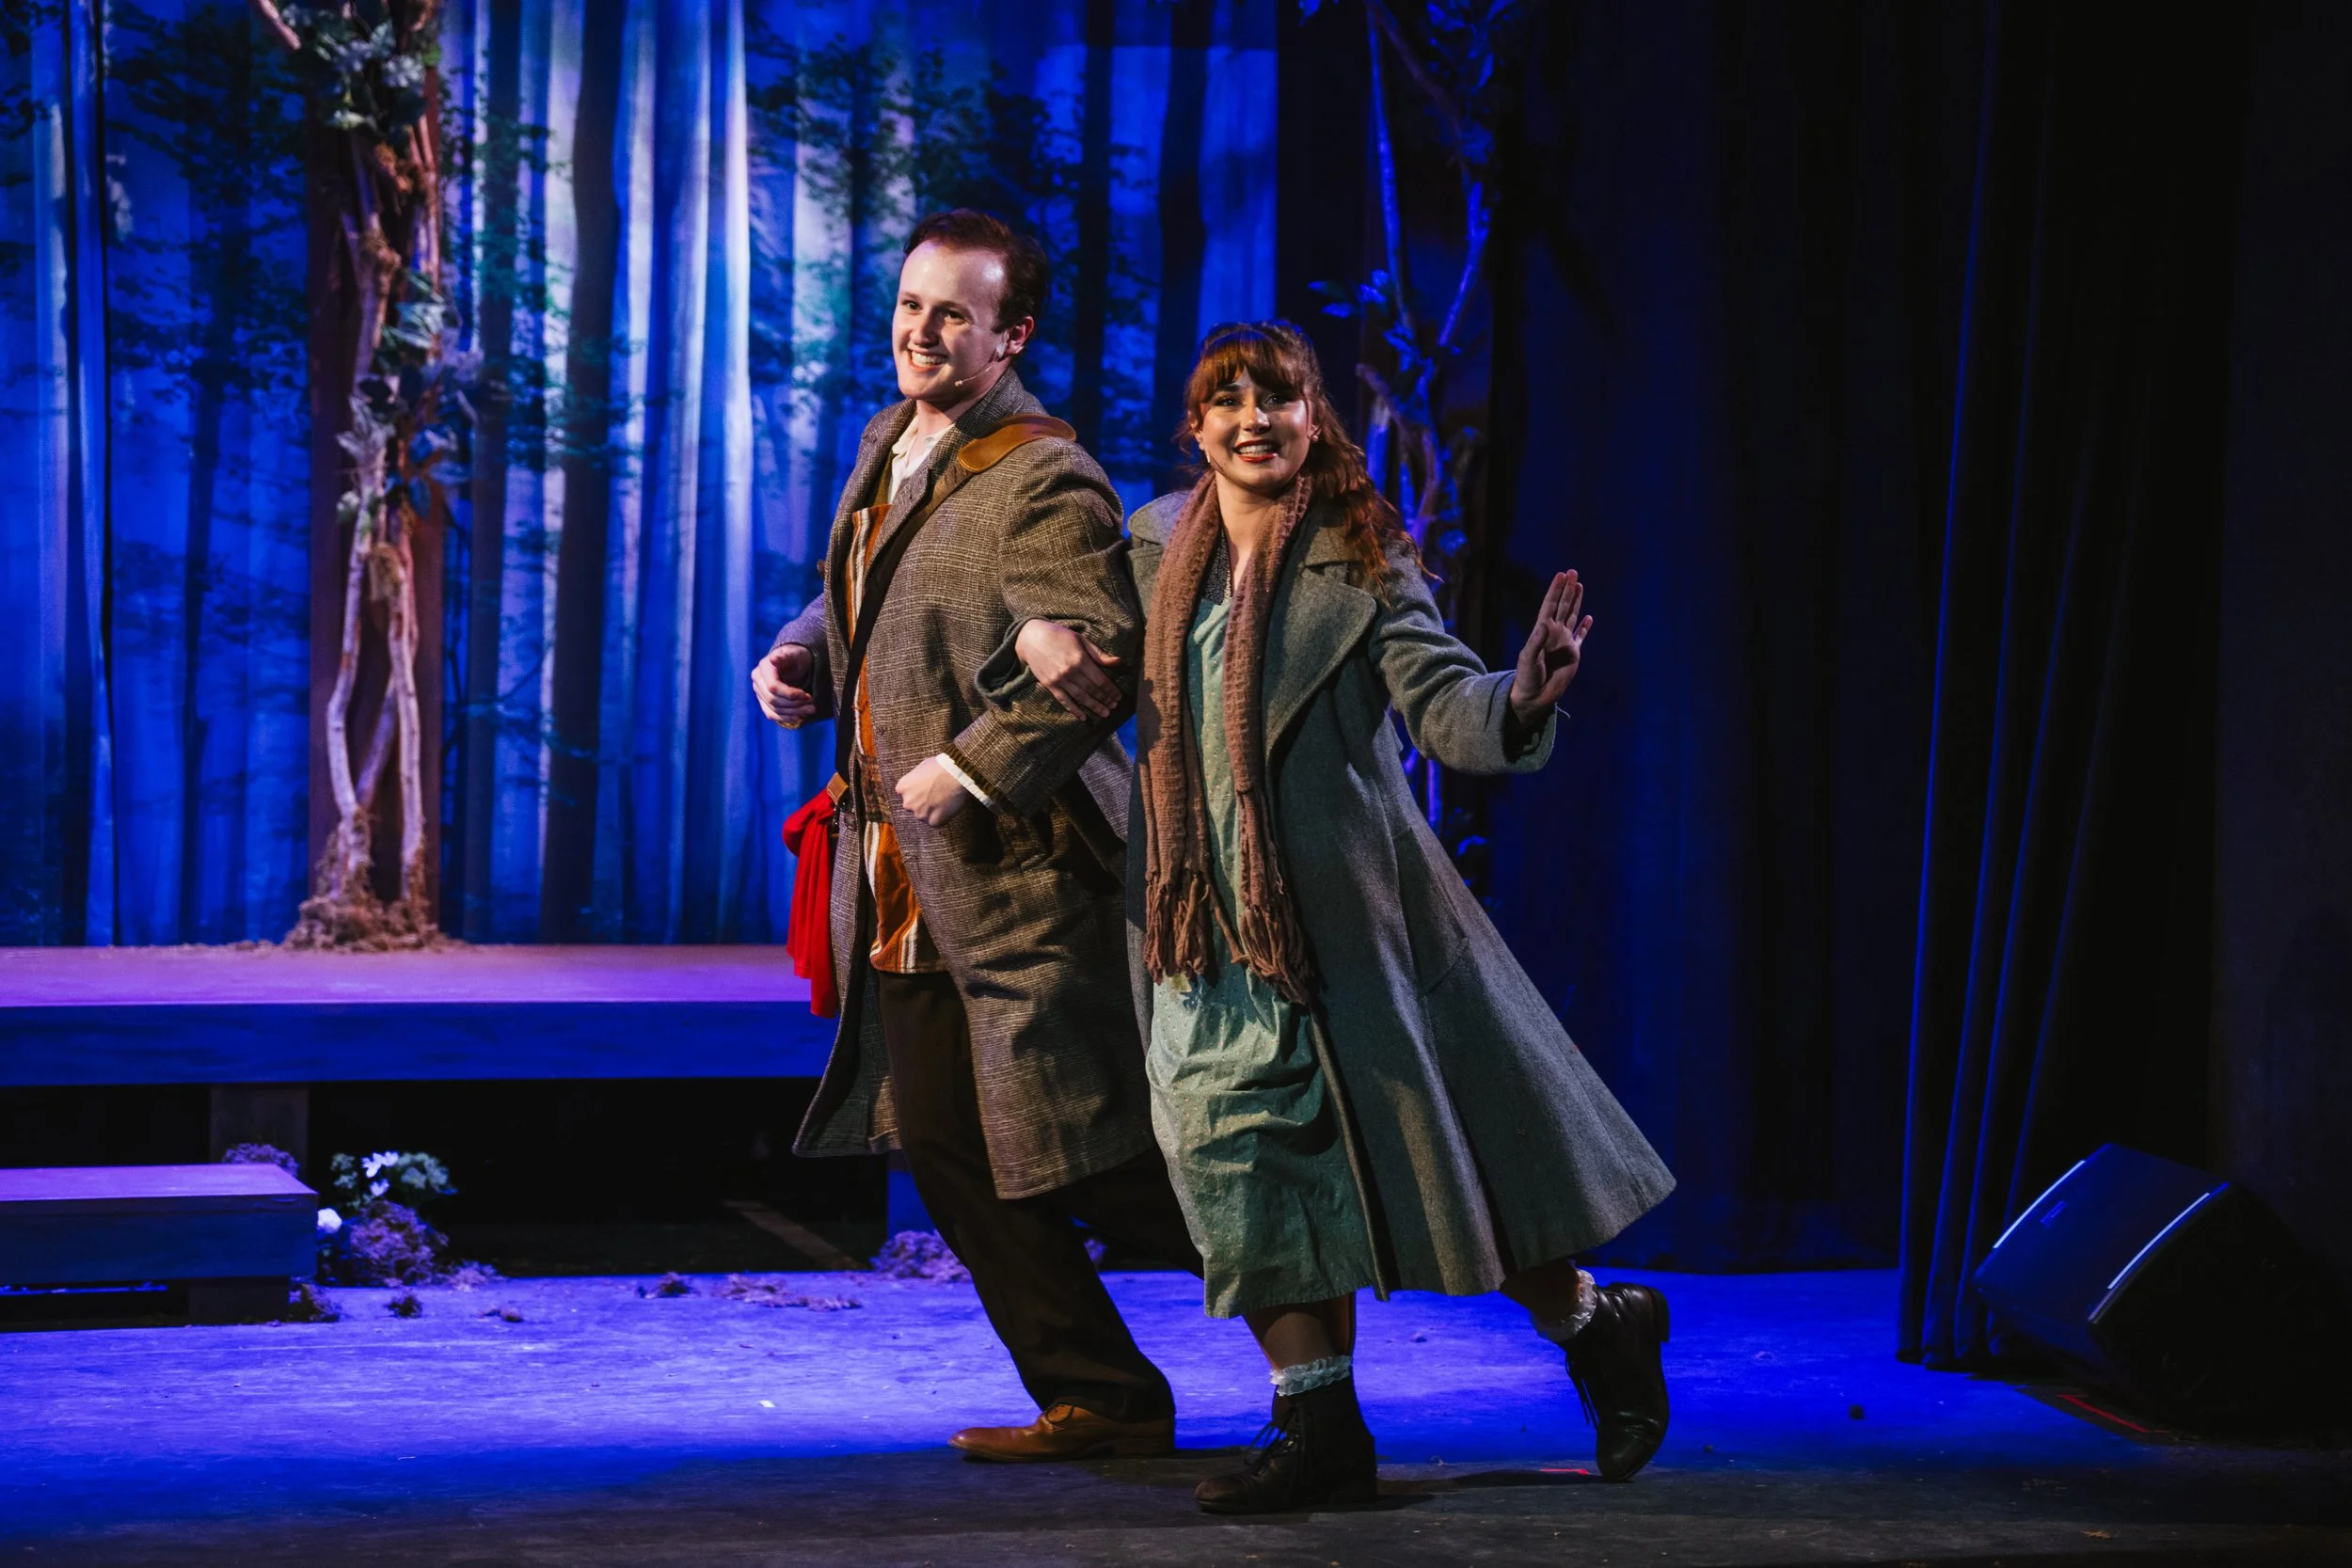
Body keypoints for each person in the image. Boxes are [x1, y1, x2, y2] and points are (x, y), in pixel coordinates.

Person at [1005, 321, 1677, 1513]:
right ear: (1196, 425)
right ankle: (1316, 1420)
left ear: (1316, 419)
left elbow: (1443, 703)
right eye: (1228, 400)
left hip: (1340, 924)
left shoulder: (1361, 554)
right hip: (1195, 920)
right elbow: (1075, 641)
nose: (1253, 418)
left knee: (1438, 1173)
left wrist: (1518, 693)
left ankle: (1595, 1320)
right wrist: (1034, 629)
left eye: (1279, 398)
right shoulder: (1155, 541)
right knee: (1231, 1159)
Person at [751, 210, 1201, 1463]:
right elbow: (874, 586)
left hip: (1016, 879)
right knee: (954, 1146)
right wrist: (801, 651)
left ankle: (1334, 1262)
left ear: (1012, 332)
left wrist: (975, 762)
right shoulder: (893, 441)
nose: (921, 331)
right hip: (904, 877)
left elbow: (1093, 663)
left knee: (1098, 1154)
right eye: (909, 304)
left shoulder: (1043, 475)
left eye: (954, 312)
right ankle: (1102, 1392)